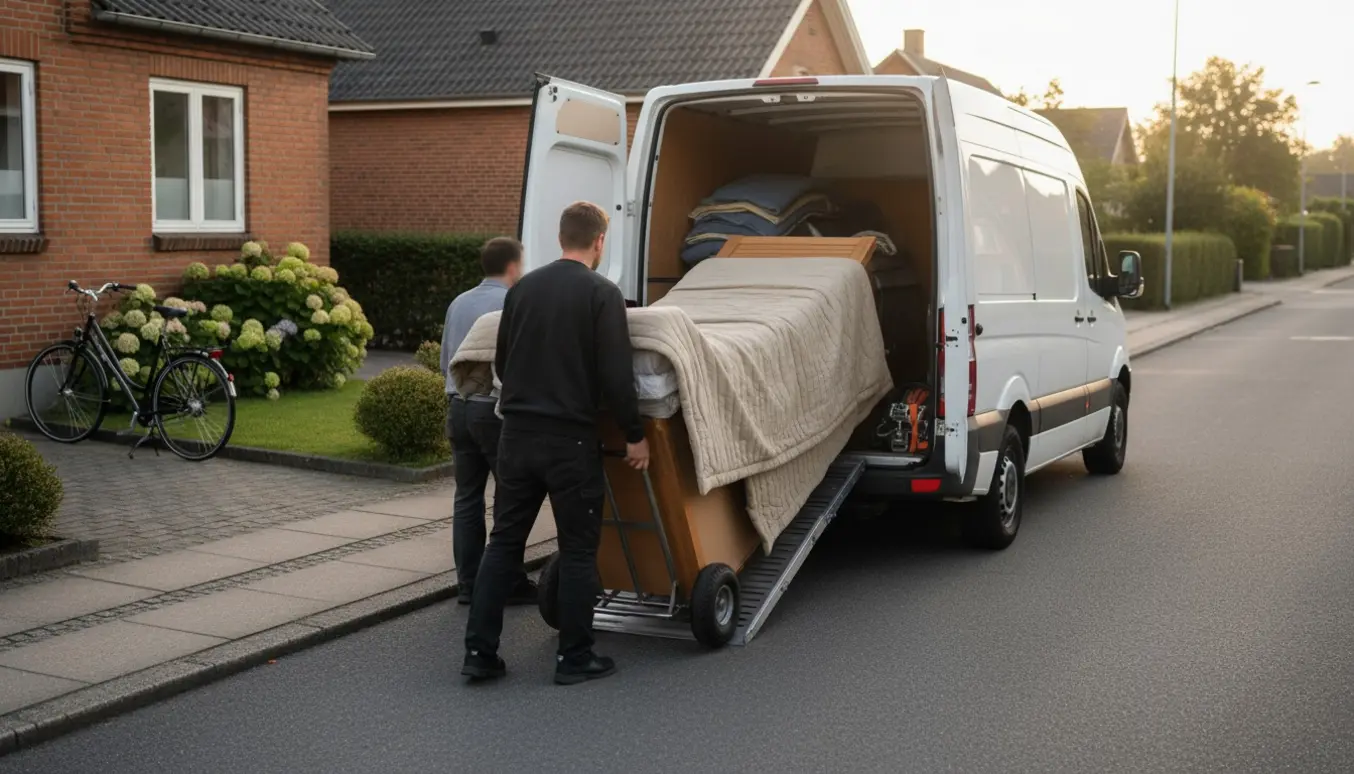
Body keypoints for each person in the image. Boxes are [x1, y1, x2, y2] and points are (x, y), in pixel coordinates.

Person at [463, 201, 649, 686]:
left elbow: (502, 362)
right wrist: (634, 434)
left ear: (561, 236)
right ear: (600, 242)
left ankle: (480, 654)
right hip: (570, 441)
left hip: (517, 438)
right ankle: (574, 658)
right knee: (580, 549)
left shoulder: (522, 288)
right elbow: (615, 375)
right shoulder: (601, 294)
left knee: (503, 543)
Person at [440, 237, 536, 606]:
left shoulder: (458, 303)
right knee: (511, 496)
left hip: (458, 406)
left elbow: (448, 359)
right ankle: (507, 582)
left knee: (467, 496)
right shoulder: (513, 302)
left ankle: (468, 584)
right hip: (492, 411)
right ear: (513, 266)